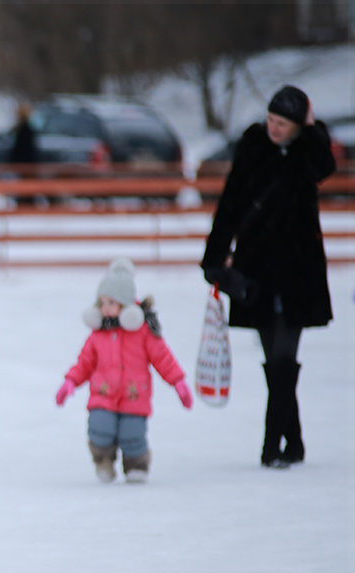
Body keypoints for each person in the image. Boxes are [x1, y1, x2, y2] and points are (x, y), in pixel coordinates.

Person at [200, 85, 335, 468]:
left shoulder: (307, 151)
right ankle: (294, 442)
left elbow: (324, 167)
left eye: (284, 123)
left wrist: (310, 131)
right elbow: (230, 203)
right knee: (273, 358)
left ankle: (271, 444)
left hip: (297, 269)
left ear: (298, 125)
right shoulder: (252, 146)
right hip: (256, 266)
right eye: (271, 120)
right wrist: (214, 257)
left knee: (283, 357)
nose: (274, 128)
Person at [56, 258, 193, 483]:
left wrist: (178, 382)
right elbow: (84, 363)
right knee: (99, 429)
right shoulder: (97, 335)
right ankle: (103, 461)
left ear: (125, 304)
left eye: (111, 302)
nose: (105, 308)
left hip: (134, 395)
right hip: (103, 394)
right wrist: (70, 382)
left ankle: (136, 465)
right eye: (102, 302)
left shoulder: (143, 332)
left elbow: (163, 359)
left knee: (133, 434)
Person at [9, 102, 39, 167]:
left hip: (23, 164)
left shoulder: (24, 130)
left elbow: (21, 149)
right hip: (26, 163)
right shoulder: (27, 129)